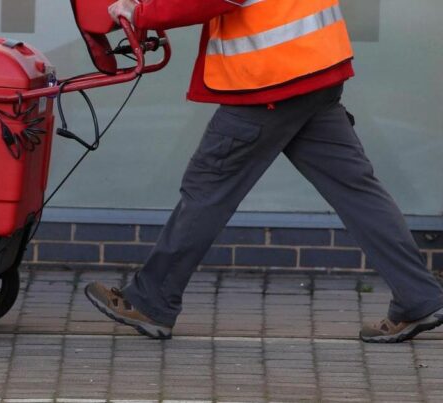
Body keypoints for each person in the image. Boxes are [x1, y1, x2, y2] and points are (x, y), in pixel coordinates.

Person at [85, 0, 443, 343]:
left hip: (270, 80)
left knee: (207, 189)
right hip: (316, 66)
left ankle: (151, 301)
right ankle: (419, 296)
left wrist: (140, 13)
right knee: (357, 192)